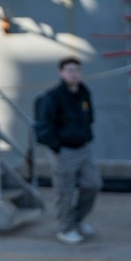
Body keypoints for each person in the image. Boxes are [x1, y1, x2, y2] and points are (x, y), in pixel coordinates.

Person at [34, 57, 101, 245]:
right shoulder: (52, 97)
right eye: (70, 70)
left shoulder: (83, 93)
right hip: (63, 151)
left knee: (92, 184)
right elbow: (43, 127)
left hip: (83, 148)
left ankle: (77, 220)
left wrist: (86, 136)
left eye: (77, 70)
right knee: (65, 192)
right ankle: (66, 228)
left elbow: (89, 118)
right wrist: (57, 147)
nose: (74, 73)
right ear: (61, 73)